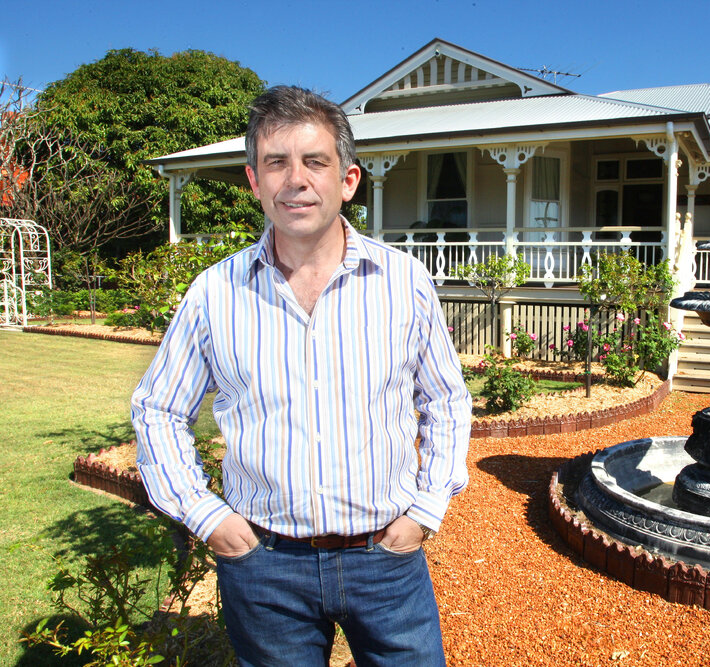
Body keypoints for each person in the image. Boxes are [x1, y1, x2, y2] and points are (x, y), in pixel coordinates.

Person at [131, 85, 472, 667]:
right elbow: (158, 409)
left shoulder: (404, 283)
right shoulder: (216, 293)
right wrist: (204, 514)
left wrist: (424, 510)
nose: (296, 179)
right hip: (264, 568)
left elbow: (444, 400)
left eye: (315, 161)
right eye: (276, 162)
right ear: (254, 180)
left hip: (385, 561)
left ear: (348, 180)